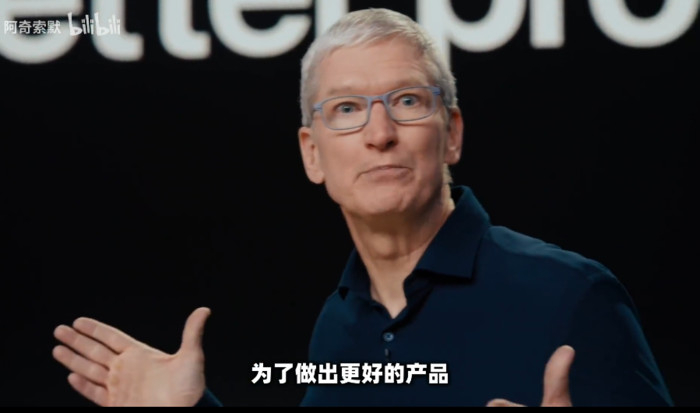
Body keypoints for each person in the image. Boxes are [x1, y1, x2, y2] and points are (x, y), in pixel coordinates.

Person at [52, 8, 673, 407]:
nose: (380, 134)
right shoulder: (339, 324)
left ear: (452, 134)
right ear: (312, 154)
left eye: (407, 101)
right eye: (347, 109)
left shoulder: (571, 296)